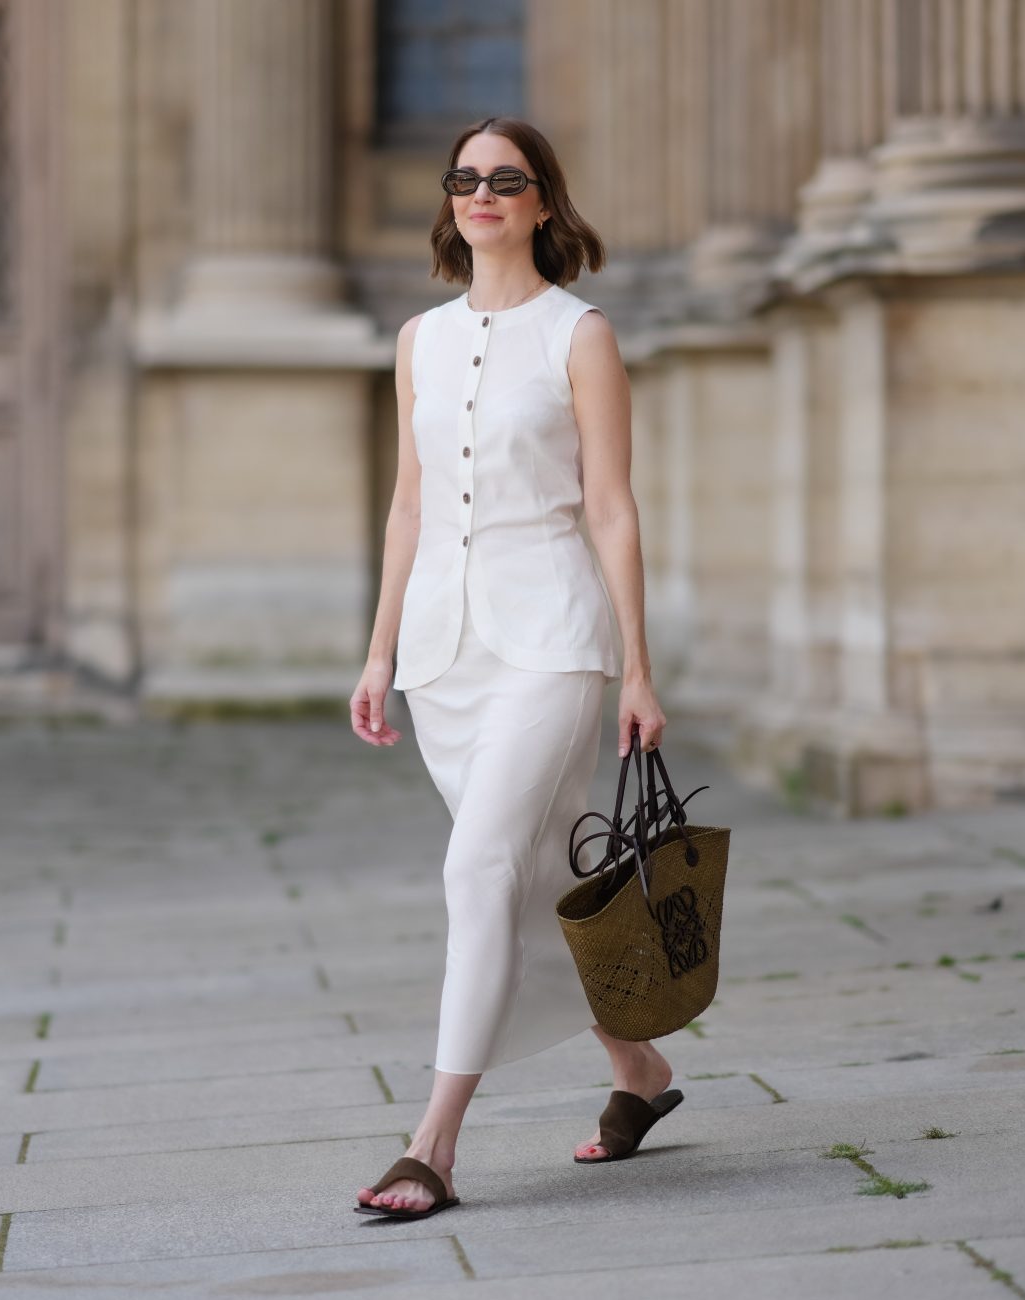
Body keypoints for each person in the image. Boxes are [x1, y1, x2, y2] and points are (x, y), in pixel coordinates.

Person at [348, 116, 675, 1218]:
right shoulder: (418, 340)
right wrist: (380, 648)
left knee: (477, 868)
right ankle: (638, 1071)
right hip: (443, 654)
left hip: (553, 642)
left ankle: (433, 1143)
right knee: (533, 881)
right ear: (449, 203)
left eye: (506, 180)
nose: (481, 193)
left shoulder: (579, 334)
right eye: (465, 179)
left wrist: (637, 665)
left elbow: (612, 507)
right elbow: (408, 505)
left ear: (543, 203)